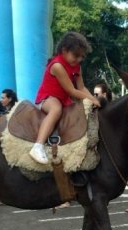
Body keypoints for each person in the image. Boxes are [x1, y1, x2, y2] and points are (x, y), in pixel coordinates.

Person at [30, 31, 100, 165]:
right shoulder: (57, 66)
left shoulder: (77, 66)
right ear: (64, 50)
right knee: (56, 109)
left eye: (82, 57)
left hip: (64, 101)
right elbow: (72, 90)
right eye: (76, 55)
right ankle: (38, 145)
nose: (79, 59)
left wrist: (93, 100)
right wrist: (92, 99)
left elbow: (81, 87)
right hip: (47, 98)